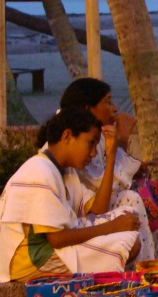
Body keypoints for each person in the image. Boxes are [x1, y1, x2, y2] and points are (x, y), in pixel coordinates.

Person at [50, 78, 158, 261]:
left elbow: (119, 176)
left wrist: (128, 158)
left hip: (94, 213)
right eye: (107, 101)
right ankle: (144, 270)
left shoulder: (94, 134)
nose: (114, 108)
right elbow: (109, 189)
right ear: (87, 109)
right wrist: (120, 142)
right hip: (86, 221)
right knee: (130, 200)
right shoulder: (76, 140)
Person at [0, 108, 141, 282]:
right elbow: (57, 239)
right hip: (32, 261)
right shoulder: (39, 171)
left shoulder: (63, 172)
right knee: (129, 243)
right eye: (90, 143)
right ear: (67, 136)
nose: (93, 153)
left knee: (127, 216)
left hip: (47, 251)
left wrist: (111, 156)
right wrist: (112, 227)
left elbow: (97, 210)